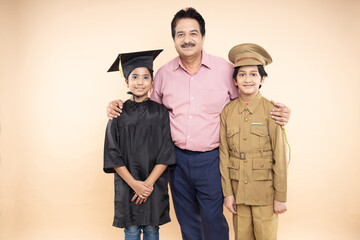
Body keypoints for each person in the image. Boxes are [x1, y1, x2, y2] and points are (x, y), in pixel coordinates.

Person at [106, 8, 291, 240]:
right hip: (176, 159)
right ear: (174, 39)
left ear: (203, 37)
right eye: (180, 34)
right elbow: (146, 111)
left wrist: (278, 110)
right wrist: (117, 105)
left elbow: (247, 99)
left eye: (193, 33)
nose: (187, 39)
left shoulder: (225, 70)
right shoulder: (163, 74)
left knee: (213, 217)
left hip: (212, 158)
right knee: (187, 218)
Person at [103, 49, 176, 240]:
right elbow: (112, 154)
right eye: (134, 77)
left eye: (145, 77)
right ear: (126, 81)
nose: (140, 82)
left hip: (154, 182)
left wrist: (148, 185)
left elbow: (166, 151)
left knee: (152, 229)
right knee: (132, 230)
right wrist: (135, 184)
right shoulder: (118, 113)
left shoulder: (161, 113)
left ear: (152, 81)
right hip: (128, 183)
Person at [219, 43, 288, 240]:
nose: (247, 79)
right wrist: (228, 193)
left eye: (253, 74)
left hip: (265, 193)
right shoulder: (227, 112)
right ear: (235, 80)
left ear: (262, 79)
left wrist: (280, 196)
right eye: (242, 74)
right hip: (239, 189)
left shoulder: (272, 110)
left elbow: (280, 156)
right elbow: (223, 155)